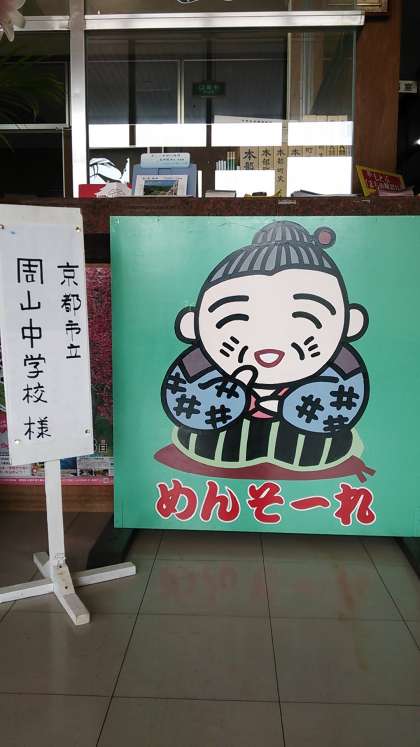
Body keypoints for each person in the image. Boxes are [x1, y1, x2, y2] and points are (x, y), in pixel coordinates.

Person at [159, 220, 369, 476]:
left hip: (313, 465)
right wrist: (233, 393)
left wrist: (283, 406)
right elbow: (187, 405)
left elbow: (338, 408)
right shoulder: (195, 369)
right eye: (235, 317)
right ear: (193, 325)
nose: (269, 336)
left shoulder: (343, 371)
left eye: (305, 316)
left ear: (350, 323)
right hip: (209, 465)